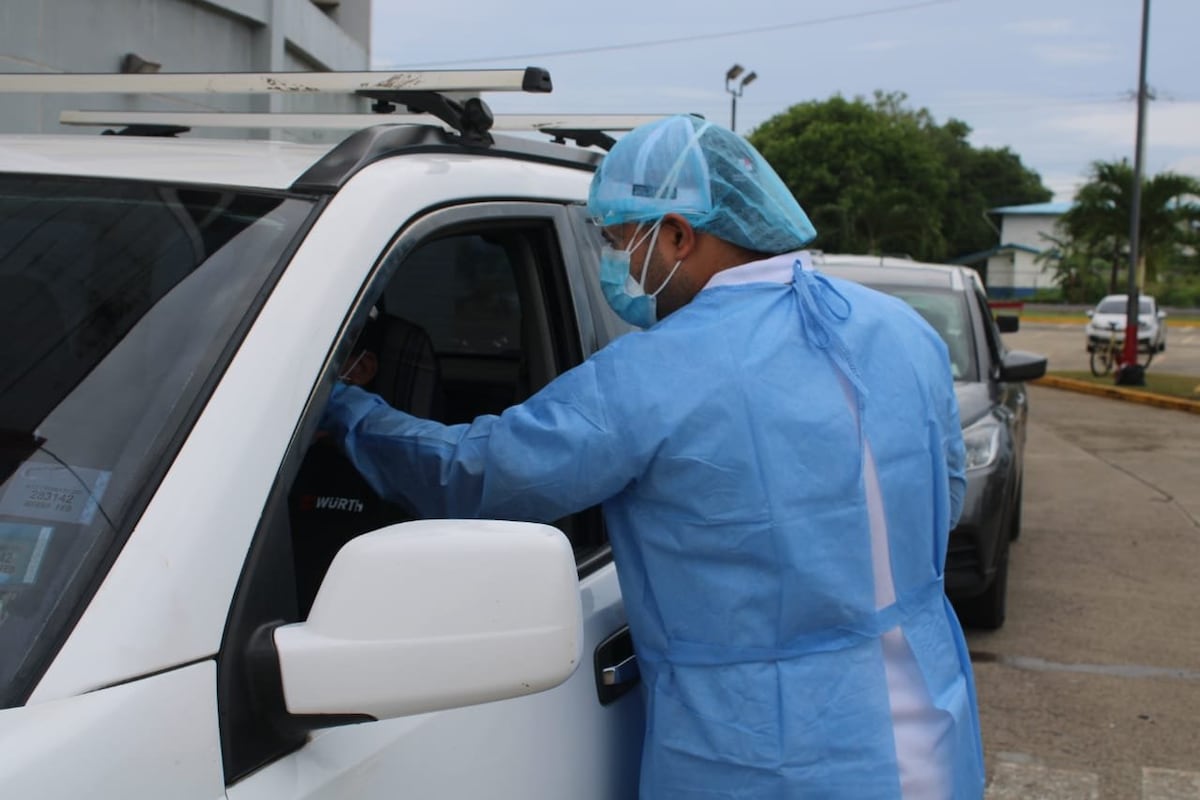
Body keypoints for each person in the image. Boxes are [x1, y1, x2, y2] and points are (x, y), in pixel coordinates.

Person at [322, 115, 983, 798]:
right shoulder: (901, 330)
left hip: (771, 758)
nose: (617, 265)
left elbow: (476, 475)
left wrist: (345, 409)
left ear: (676, 234)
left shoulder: (652, 374)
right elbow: (946, 494)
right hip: (928, 738)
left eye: (616, 241)